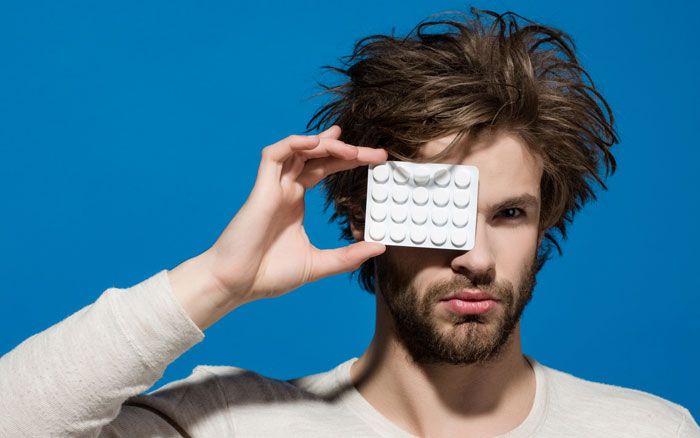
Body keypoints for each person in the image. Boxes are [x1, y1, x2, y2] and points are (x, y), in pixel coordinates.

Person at [1, 7, 698, 438]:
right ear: (366, 213)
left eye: (510, 214)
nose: (477, 257)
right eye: (442, 212)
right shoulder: (228, 424)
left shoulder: (647, 430)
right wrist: (217, 279)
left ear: (546, 223)